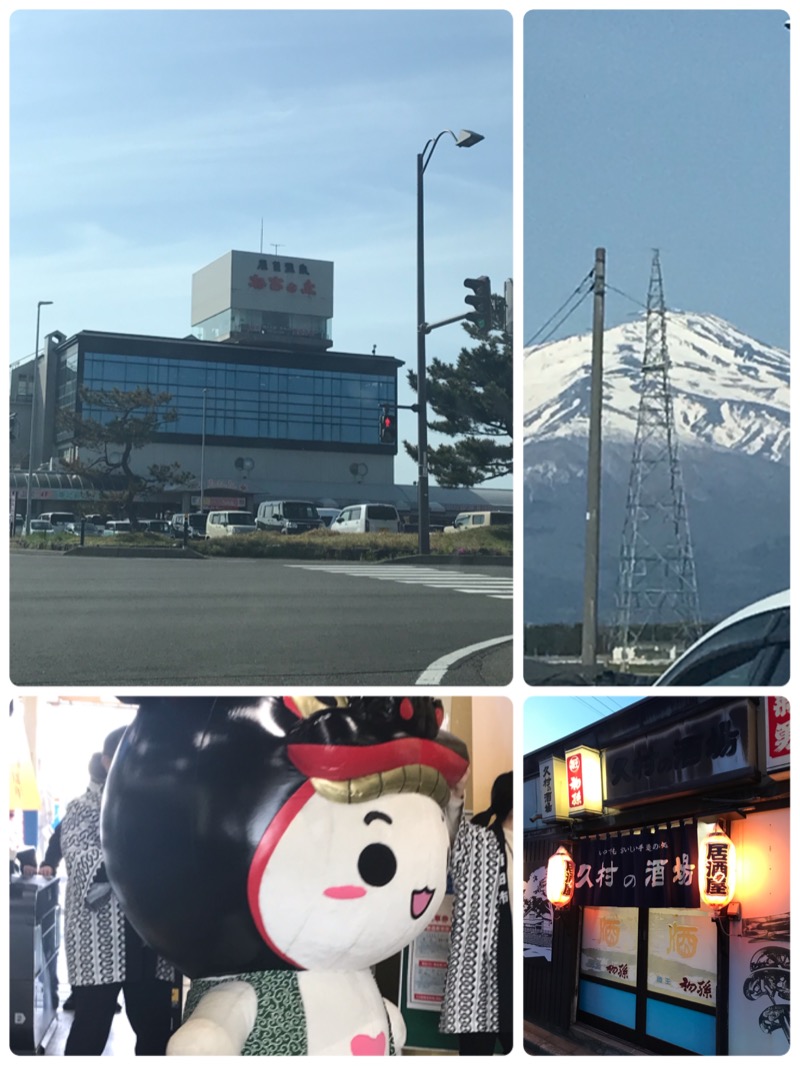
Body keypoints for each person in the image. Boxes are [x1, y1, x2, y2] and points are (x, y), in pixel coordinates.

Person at [61, 727, 175, 1056]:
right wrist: (141, 854)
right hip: (99, 941)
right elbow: (82, 861)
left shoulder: (159, 807)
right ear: (107, 760)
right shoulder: (82, 807)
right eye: (128, 753)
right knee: (90, 1030)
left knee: (155, 1032)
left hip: (149, 939)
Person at [439, 770, 513, 1055]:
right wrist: (457, 794)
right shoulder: (481, 841)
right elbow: (454, 836)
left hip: (515, 971)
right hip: (480, 977)